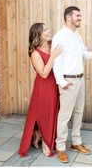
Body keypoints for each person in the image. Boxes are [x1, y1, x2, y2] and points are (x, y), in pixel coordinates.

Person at [52, 6, 92, 163]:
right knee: (64, 115)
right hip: (68, 81)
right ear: (68, 17)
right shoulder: (60, 36)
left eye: (80, 15)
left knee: (78, 113)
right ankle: (60, 147)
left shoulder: (77, 36)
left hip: (79, 80)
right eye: (77, 15)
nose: (80, 18)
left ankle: (76, 143)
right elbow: (56, 61)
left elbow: (83, 53)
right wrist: (61, 82)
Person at [18, 23, 62, 157]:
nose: (48, 31)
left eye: (48, 28)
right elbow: (43, 73)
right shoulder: (35, 53)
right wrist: (53, 56)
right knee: (45, 113)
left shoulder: (53, 45)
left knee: (54, 112)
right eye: (45, 30)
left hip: (55, 84)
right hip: (43, 87)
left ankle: (39, 134)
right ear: (38, 35)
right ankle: (46, 143)